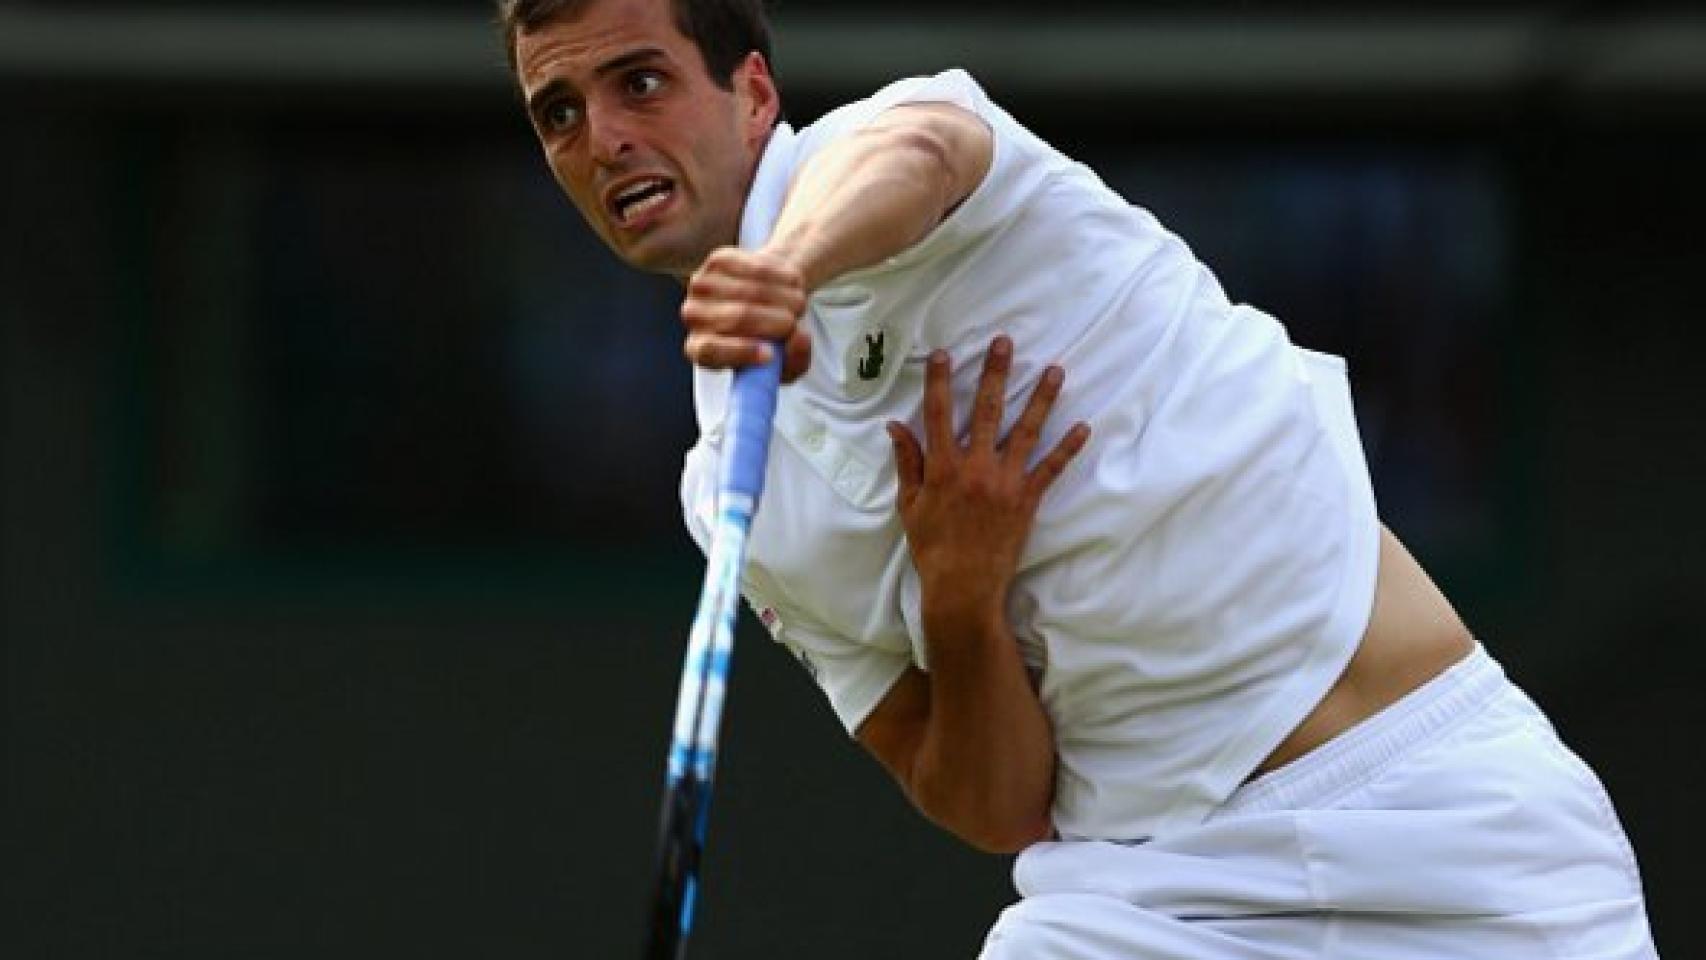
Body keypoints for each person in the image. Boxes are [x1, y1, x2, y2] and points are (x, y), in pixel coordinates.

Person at [498, 0, 1660, 956]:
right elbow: (993, 805)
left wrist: (784, 270)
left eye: (638, 82)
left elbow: (911, 158)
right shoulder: (728, 497)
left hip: (1447, 821)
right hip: (1144, 899)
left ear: (752, 93)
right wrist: (959, 597)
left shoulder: (911, 138)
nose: (600, 136)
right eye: (558, 113)